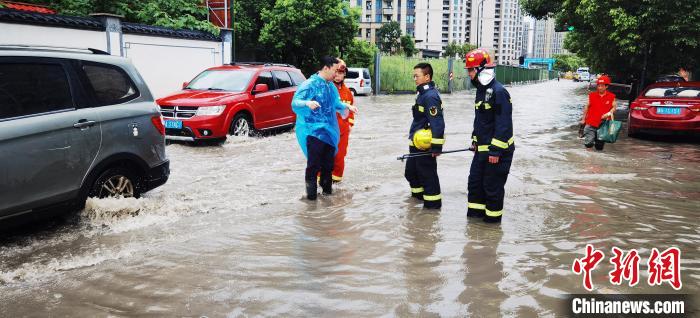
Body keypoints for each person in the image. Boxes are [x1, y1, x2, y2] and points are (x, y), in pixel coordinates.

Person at [292, 56, 358, 200]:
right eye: (335, 71)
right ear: (326, 68)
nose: (336, 75)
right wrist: (306, 104)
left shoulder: (331, 87)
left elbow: (336, 103)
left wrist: (347, 106)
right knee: (314, 165)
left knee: (328, 166)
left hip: (329, 132)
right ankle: (311, 199)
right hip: (313, 132)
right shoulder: (309, 84)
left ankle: (327, 197)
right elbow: (295, 102)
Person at [464, 48, 515, 223]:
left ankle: (492, 231)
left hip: (497, 154)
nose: (469, 74)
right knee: (475, 186)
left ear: (481, 69)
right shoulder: (481, 90)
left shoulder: (499, 92)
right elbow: (481, 121)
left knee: (492, 189)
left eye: (471, 70)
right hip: (482, 152)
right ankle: (474, 226)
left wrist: (495, 151)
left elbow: (504, 124)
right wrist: (475, 140)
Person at [405, 63, 445, 209]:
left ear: (427, 77)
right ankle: (418, 202)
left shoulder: (431, 96)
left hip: (424, 146)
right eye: (414, 76)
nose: (414, 79)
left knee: (428, 177)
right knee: (411, 173)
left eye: (417, 76)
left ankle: (432, 207)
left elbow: (437, 123)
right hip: (415, 143)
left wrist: (436, 147)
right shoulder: (422, 94)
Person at [330, 59, 355, 182]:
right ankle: (320, 181)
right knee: (325, 156)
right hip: (328, 129)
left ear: (344, 74)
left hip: (343, 131)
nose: (338, 76)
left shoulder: (347, 92)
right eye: (337, 72)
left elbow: (351, 112)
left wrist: (350, 124)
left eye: (341, 73)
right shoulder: (328, 89)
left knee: (340, 156)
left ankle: (336, 182)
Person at [580, 75, 615, 151]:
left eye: (602, 86)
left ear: (606, 86)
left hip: (603, 125)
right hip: (591, 123)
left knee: (599, 147)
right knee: (589, 143)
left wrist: (609, 113)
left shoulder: (612, 96)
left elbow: (614, 107)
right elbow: (586, 107)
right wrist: (583, 119)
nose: (600, 88)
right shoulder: (592, 95)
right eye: (598, 86)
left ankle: (596, 162)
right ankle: (588, 161)